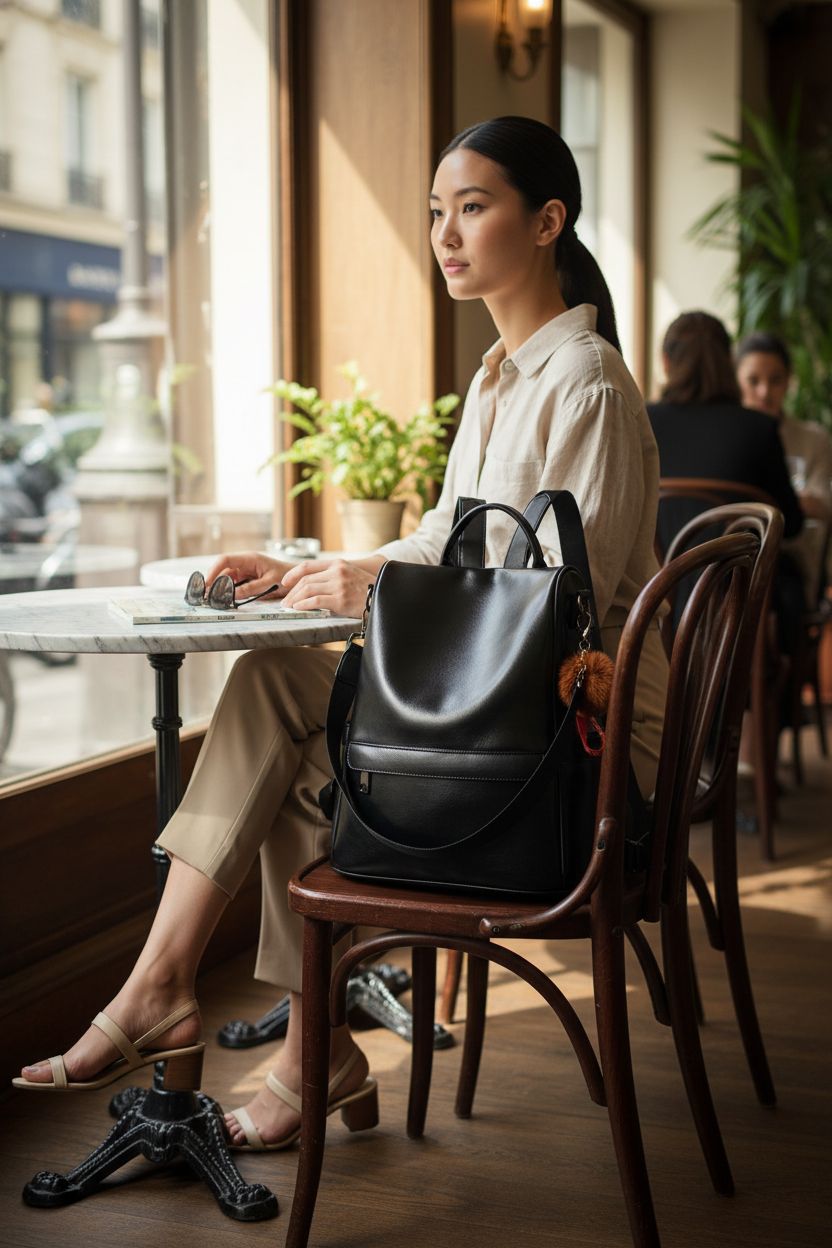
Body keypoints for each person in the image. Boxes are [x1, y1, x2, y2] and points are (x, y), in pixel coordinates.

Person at [14, 116, 668, 1151]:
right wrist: (308, 569)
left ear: (548, 221)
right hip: (499, 732)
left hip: (573, 756)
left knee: (303, 749)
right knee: (284, 692)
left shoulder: (581, 380)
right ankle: (206, 1002)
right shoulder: (502, 378)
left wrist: (369, 587)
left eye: (474, 208)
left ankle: (254, 1031)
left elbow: (546, 604)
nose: (445, 235)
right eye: (434, 214)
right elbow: (444, 541)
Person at [648, 311, 804, 653]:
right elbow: (790, 525)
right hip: (737, 620)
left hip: (654, 611)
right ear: (729, 362)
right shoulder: (758, 429)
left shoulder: (642, 422)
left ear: (664, 362)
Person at [736, 331, 832, 603]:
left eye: (775, 380)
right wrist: (788, 499)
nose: (765, 392)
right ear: (736, 380)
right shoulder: (729, 436)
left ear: (789, 380)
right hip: (736, 554)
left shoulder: (814, 439)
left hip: (790, 556)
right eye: (753, 381)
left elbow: (824, 505)